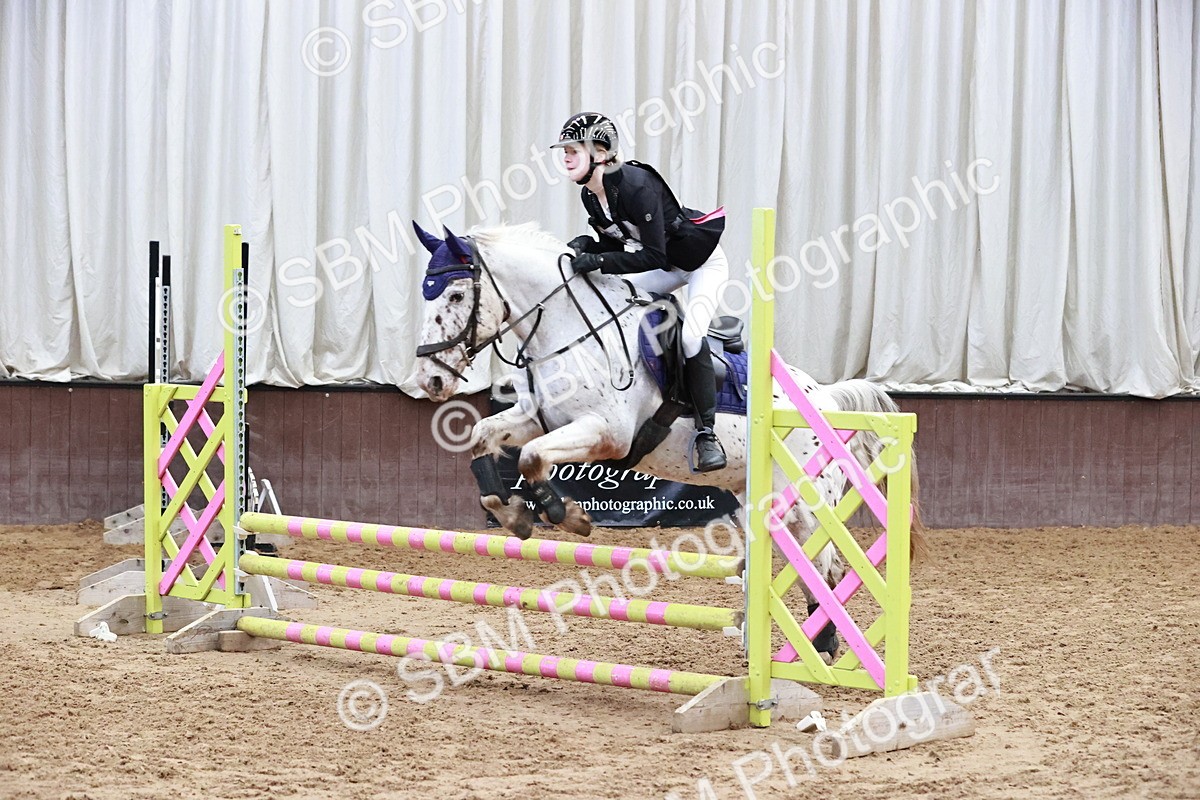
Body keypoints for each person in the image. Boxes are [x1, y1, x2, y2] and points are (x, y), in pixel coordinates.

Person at [551, 112, 729, 472]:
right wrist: (590, 245)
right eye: (565, 151)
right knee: (612, 298)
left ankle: (707, 433)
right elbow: (616, 240)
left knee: (693, 337)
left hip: (701, 264)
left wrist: (599, 260)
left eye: (573, 150)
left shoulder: (636, 185)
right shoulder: (591, 195)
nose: (566, 157)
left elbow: (653, 254)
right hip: (665, 268)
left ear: (600, 152)